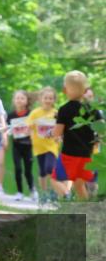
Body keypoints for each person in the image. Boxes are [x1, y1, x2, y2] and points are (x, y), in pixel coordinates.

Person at [51, 71, 102, 201]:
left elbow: (57, 133)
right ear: (85, 91)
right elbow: (101, 129)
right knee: (79, 185)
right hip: (86, 155)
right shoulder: (93, 109)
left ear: (64, 90)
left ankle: (67, 197)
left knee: (55, 179)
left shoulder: (64, 109)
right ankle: (88, 213)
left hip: (69, 155)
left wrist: (50, 133)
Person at [28, 86, 59, 203]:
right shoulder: (35, 113)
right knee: (42, 171)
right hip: (38, 146)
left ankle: (54, 192)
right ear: (41, 99)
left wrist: (60, 136)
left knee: (50, 168)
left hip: (52, 146)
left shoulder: (56, 113)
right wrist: (30, 132)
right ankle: (44, 193)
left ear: (54, 100)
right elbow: (29, 127)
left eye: (51, 98)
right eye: (46, 98)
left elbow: (61, 128)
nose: (48, 100)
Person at [7, 90, 37, 201]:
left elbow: (36, 128)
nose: (19, 100)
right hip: (16, 146)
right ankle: (19, 192)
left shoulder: (31, 114)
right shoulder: (11, 115)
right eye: (17, 98)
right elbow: (7, 129)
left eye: (22, 98)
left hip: (28, 146)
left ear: (27, 101)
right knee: (18, 168)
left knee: (28, 170)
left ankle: (32, 191)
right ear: (14, 101)